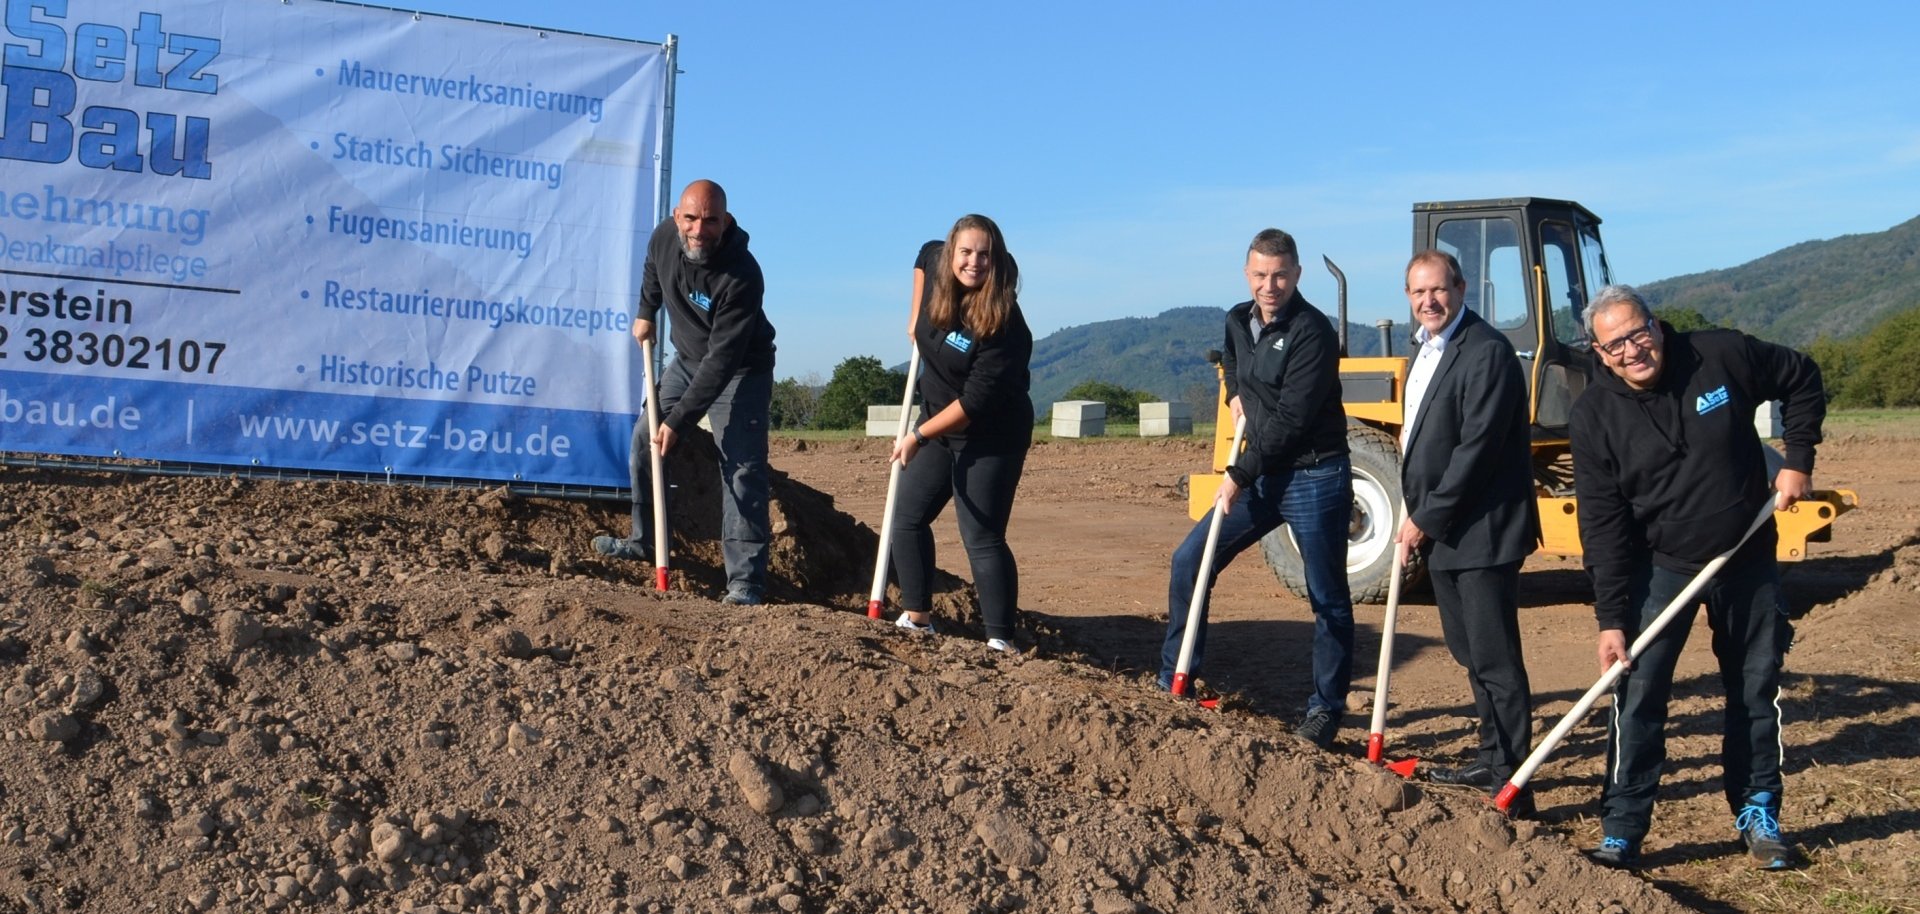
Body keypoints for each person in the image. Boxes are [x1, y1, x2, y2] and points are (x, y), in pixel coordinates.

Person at [1570, 284, 1823, 870]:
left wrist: (1798, 459)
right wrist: (1611, 619)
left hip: (1746, 554)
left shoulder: (1720, 354)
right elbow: (1602, 525)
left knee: (1754, 686)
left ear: (1656, 326)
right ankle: (1624, 827)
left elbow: (1802, 376)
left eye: (1639, 333)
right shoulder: (1594, 416)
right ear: (1598, 352)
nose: (1633, 350)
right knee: (1638, 695)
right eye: (1616, 345)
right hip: (1659, 568)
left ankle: (1758, 811)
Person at [1158, 228, 1354, 749]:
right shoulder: (1236, 319)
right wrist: (1235, 393)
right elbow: (1229, 357)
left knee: (1327, 596)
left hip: (1314, 474)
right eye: (1261, 275)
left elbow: (1292, 419)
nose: (1271, 286)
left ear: (1297, 274)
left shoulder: (1313, 331)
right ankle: (1174, 674)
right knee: (1190, 560)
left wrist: (1239, 474)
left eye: (1281, 275)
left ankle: (1325, 710)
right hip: (1266, 471)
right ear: (1248, 275)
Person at [1392, 251, 1540, 811]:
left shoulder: (1487, 352)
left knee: (1495, 657)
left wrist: (1425, 518)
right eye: (1417, 292)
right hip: (1448, 530)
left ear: (1460, 288)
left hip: (1482, 530)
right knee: (1469, 650)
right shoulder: (1427, 349)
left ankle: (1513, 780)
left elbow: (1475, 450)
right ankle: (1491, 754)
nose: (1429, 301)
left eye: (1438, 290)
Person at [592, 179, 777, 605]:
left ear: (725, 221)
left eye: (710, 221)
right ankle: (645, 540)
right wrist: (645, 312)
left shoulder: (743, 275)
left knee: (741, 468)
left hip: (740, 370)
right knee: (644, 438)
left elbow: (722, 361)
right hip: (688, 360)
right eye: (690, 218)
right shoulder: (664, 236)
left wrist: (679, 421)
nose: (699, 230)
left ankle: (745, 583)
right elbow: (652, 270)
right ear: (678, 216)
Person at [887, 215, 1034, 652]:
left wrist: (918, 435)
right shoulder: (939, 264)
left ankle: (1000, 641)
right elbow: (922, 253)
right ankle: (917, 617)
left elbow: (974, 403)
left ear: (998, 261)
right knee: (906, 517)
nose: (973, 262)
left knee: (981, 535)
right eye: (965, 252)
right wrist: (916, 316)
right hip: (938, 420)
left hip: (992, 433)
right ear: (952, 253)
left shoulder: (1004, 324)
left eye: (985, 255)